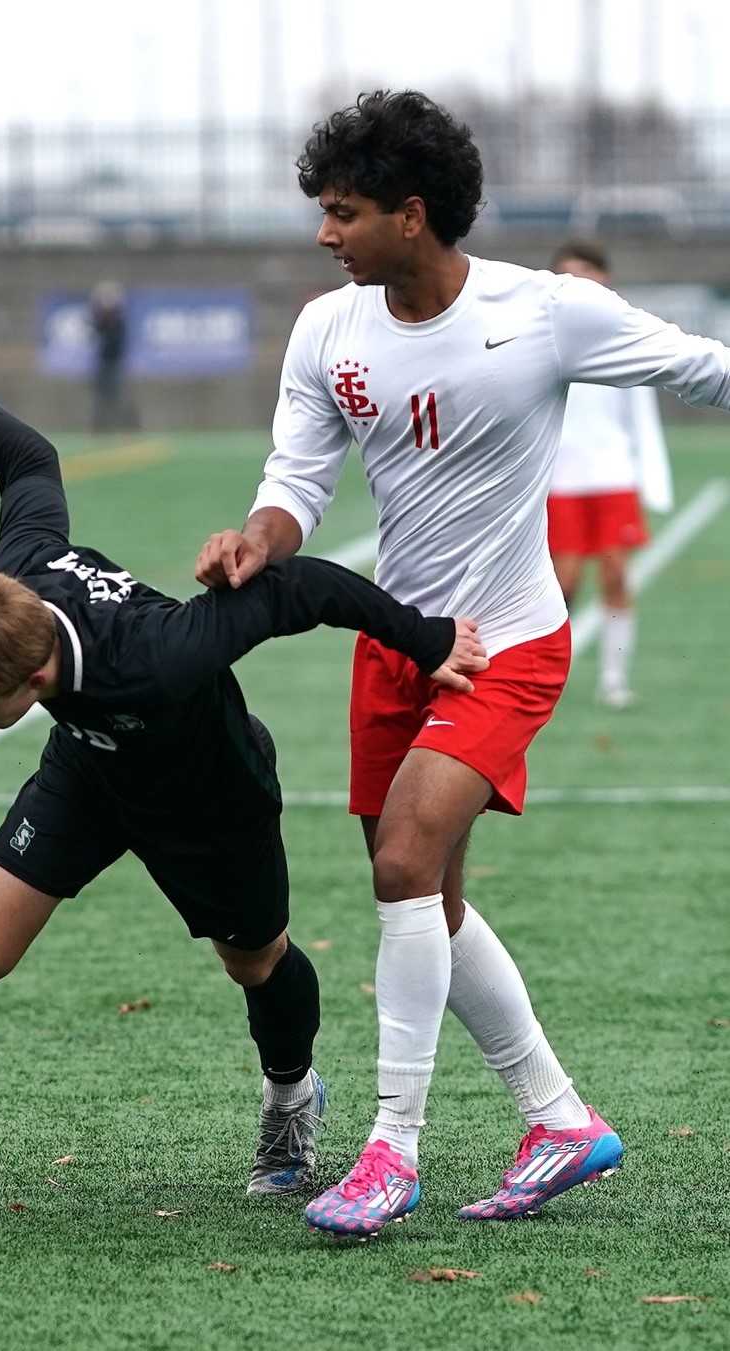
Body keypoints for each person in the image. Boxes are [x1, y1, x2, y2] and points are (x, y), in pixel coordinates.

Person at [195, 90, 730, 1238]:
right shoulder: (326, 328)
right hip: (400, 646)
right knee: (425, 893)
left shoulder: (543, 312)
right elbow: (296, 479)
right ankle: (558, 1119)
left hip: (507, 646)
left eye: (343, 212)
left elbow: (702, 369)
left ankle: (390, 1149)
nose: (324, 233)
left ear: (411, 213)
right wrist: (257, 539)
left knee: (400, 861)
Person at [0, 338, 487, 1198]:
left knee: (255, 963)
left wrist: (427, 639)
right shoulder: (16, 575)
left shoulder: (157, 656)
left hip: (210, 798)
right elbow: (26, 456)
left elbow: (300, 591)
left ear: (35, 676)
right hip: (92, 770)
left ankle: (291, 1098)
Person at [546, 239, 674, 709]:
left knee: (617, 577)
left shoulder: (624, 335)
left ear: (604, 279)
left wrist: (654, 484)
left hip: (613, 476)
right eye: (567, 274)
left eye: (585, 272)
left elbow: (642, 417)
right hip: (560, 482)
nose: (576, 282)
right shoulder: (541, 338)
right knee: (562, 584)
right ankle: (545, 674)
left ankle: (614, 678)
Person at [89, 281, 135, 432]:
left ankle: (126, 427)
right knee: (100, 399)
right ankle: (100, 428)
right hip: (103, 364)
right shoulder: (101, 323)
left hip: (115, 364)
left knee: (120, 398)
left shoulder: (119, 323)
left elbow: (117, 342)